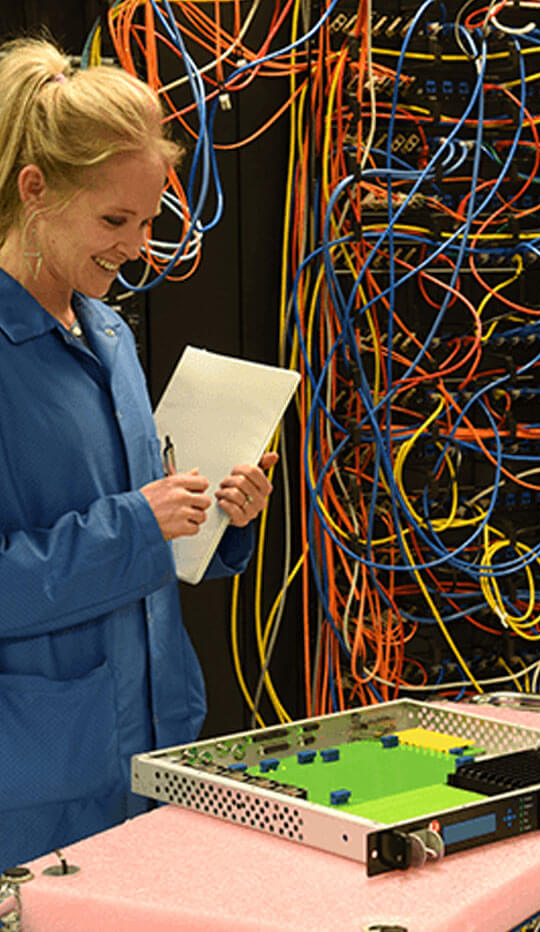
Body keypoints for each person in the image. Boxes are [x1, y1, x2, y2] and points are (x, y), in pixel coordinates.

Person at [0, 37, 278, 868]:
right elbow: (117, 534)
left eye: (151, 218)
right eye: (115, 220)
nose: (137, 244)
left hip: (156, 748)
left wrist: (220, 522)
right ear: (35, 189)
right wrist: (135, 524)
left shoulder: (111, 334)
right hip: (38, 778)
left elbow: (152, 539)